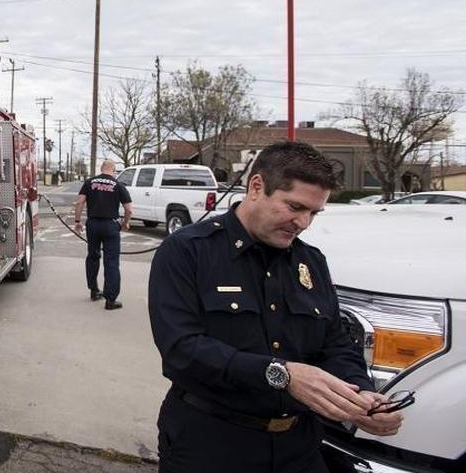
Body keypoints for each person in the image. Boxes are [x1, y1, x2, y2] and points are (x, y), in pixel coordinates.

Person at [148, 141, 404, 473]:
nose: (303, 222)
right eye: (294, 206)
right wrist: (281, 375)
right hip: (211, 443)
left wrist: (362, 396)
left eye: (313, 212)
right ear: (257, 187)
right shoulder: (188, 251)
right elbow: (181, 349)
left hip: (298, 446)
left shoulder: (311, 262)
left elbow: (335, 344)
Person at [73, 159, 133, 310]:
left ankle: (94, 290)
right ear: (113, 170)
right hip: (111, 226)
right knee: (111, 261)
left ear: (102, 169)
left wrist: (78, 221)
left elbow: (80, 202)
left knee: (93, 257)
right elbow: (129, 210)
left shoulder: (89, 182)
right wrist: (125, 223)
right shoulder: (118, 185)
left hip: (93, 225)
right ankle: (110, 300)